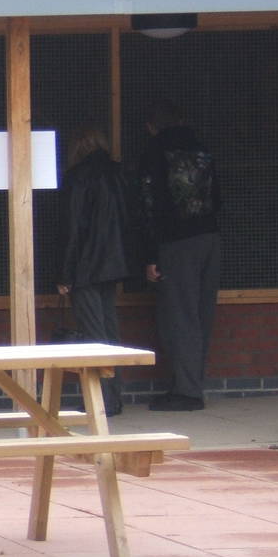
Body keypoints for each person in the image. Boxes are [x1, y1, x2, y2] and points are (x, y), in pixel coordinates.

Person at [137, 100, 222, 411]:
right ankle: (193, 384)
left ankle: (187, 392)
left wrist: (150, 254)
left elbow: (150, 205)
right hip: (210, 238)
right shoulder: (202, 148)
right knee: (202, 314)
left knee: (179, 315)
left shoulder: (155, 151)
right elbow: (217, 196)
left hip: (177, 242)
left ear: (151, 126)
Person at [54, 126, 132, 416]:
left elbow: (73, 229)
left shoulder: (78, 177)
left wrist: (65, 274)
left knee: (94, 333)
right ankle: (114, 396)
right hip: (114, 263)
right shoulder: (117, 173)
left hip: (86, 265)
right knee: (110, 329)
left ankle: (103, 401)